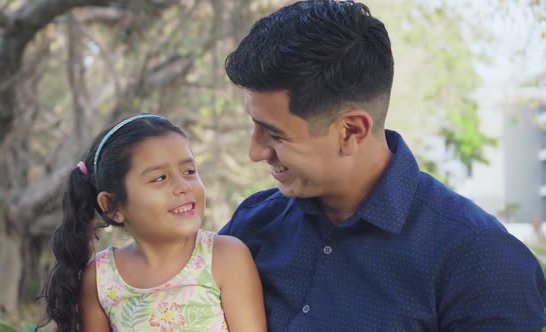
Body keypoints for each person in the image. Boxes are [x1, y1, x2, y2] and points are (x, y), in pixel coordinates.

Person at [219, 1, 546, 331]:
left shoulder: (481, 259)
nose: (255, 152)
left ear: (351, 131)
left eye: (274, 134)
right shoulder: (252, 224)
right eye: (255, 125)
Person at [37, 114, 266, 332]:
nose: (184, 187)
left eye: (189, 171)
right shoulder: (100, 278)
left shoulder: (225, 257)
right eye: (159, 178)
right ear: (112, 206)